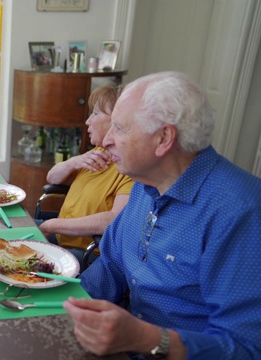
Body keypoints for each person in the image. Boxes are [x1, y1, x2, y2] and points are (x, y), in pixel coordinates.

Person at [63, 71, 261, 359]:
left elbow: (246, 348)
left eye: (119, 128)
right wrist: (63, 308)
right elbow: (110, 267)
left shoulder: (240, 211)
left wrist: (146, 338)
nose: (105, 140)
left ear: (163, 138)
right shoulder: (146, 184)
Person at [38, 85, 133, 265]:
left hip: (86, 252)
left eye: (96, 114)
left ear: (117, 121)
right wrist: (74, 161)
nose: (88, 121)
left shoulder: (129, 167)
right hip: (60, 237)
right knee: (7, 230)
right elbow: (52, 178)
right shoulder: (96, 154)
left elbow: (114, 219)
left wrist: (53, 224)